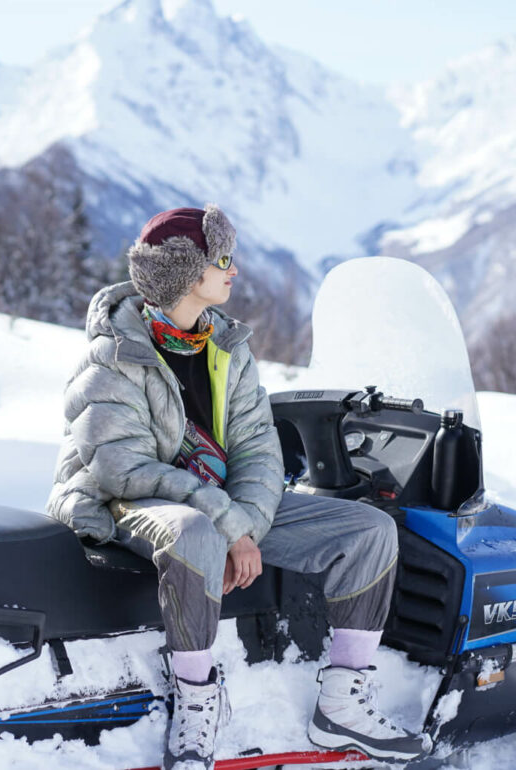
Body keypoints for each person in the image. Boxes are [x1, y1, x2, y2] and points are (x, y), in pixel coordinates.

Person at [47, 205, 431, 769]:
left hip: (218, 503)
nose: (234, 270)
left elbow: (257, 449)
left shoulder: (227, 346)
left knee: (370, 530)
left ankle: (342, 705)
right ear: (185, 273)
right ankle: (196, 704)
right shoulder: (113, 354)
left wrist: (244, 524)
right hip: (124, 500)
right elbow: (122, 469)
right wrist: (227, 528)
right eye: (222, 259)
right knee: (195, 531)